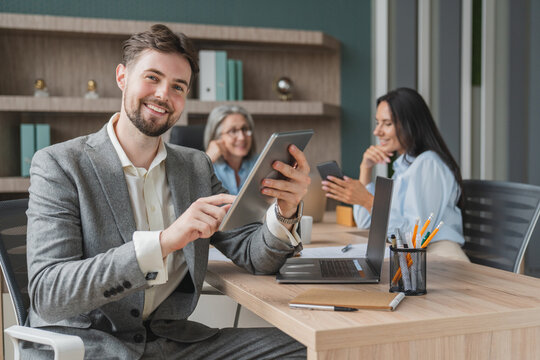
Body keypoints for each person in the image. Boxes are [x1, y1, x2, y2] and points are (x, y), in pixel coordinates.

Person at [24, 24, 309, 359]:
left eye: (178, 86)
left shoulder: (196, 167)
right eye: (152, 78)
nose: (163, 94)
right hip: (86, 346)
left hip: (170, 343)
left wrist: (285, 212)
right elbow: (49, 292)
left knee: (315, 350)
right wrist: (164, 242)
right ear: (122, 77)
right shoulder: (59, 164)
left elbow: (254, 255)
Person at [321, 87, 469, 261]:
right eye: (377, 123)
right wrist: (365, 168)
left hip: (442, 259)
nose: (377, 132)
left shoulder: (427, 164)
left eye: (387, 124)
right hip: (417, 260)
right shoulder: (405, 166)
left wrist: (368, 200)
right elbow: (365, 222)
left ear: (410, 125)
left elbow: (415, 240)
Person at [203, 105, 257, 195]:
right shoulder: (208, 168)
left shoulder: (261, 163)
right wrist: (207, 160)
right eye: (233, 131)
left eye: (244, 129)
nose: (242, 137)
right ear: (217, 136)